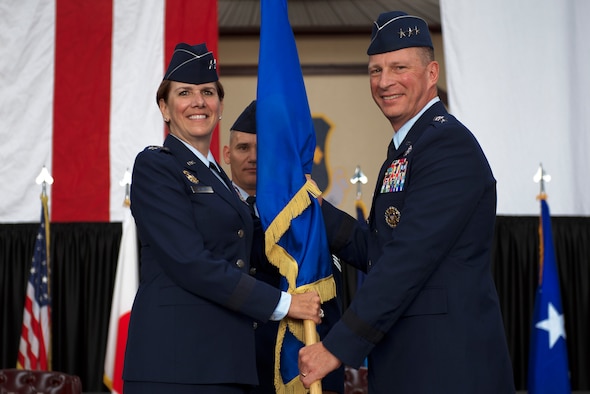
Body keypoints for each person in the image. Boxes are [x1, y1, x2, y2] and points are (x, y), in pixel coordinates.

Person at [298, 11, 516, 393]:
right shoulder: (409, 148)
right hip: (413, 362)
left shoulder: (447, 146)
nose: (384, 82)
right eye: (375, 70)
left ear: (432, 74)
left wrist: (336, 347)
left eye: (399, 67)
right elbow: (379, 250)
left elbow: (408, 259)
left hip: (446, 368)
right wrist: (307, 206)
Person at [122, 42, 322, 394]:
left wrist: (307, 208)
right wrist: (285, 305)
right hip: (175, 366)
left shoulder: (221, 182)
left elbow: (259, 246)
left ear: (220, 106)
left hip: (227, 363)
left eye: (208, 92)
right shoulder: (156, 166)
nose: (198, 101)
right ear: (164, 108)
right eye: (184, 93)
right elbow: (189, 261)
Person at [223, 100, 344, 394]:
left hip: (289, 371)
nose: (253, 157)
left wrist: (326, 383)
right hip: (227, 367)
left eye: (261, 149)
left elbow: (323, 296)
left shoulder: (302, 215)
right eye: (242, 148)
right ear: (227, 154)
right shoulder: (211, 213)